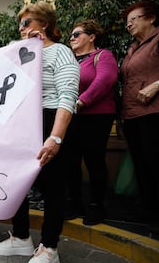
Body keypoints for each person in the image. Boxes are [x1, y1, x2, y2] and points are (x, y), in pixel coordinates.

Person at [0, 1, 79, 262]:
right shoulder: (18, 52)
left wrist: (55, 137)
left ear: (45, 24)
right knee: (17, 182)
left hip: (50, 119)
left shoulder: (61, 52)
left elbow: (67, 96)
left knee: (53, 188)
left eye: (26, 22)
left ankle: (49, 247)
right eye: (19, 23)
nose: (21, 28)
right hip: (22, 123)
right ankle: (20, 238)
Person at [65, 19, 119, 225]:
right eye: (71, 35)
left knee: (94, 159)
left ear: (92, 37)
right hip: (70, 115)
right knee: (71, 161)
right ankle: (74, 202)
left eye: (76, 34)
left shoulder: (103, 56)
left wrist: (82, 101)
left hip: (96, 115)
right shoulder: (68, 59)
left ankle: (97, 205)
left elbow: (105, 79)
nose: (72, 38)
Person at [120, 0, 159, 225]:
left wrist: (158, 84)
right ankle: (150, 213)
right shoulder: (133, 49)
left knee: (158, 163)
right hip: (133, 115)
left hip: (156, 113)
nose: (129, 25)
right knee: (142, 164)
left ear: (152, 18)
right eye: (127, 22)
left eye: (134, 19)